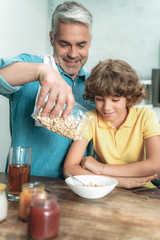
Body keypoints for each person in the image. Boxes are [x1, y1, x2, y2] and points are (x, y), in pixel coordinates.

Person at [0, 1, 94, 178]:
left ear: (90, 42)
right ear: (51, 39)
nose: (73, 54)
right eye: (64, 44)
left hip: (78, 193)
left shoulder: (94, 86)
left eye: (81, 45)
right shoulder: (33, 67)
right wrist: (41, 71)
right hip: (25, 189)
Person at [64, 59, 160, 188]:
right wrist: (118, 182)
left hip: (144, 190)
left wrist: (101, 168)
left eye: (115, 99)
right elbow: (69, 168)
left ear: (129, 97)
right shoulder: (91, 119)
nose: (106, 107)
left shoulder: (145, 116)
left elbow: (156, 166)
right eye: (99, 99)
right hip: (107, 189)